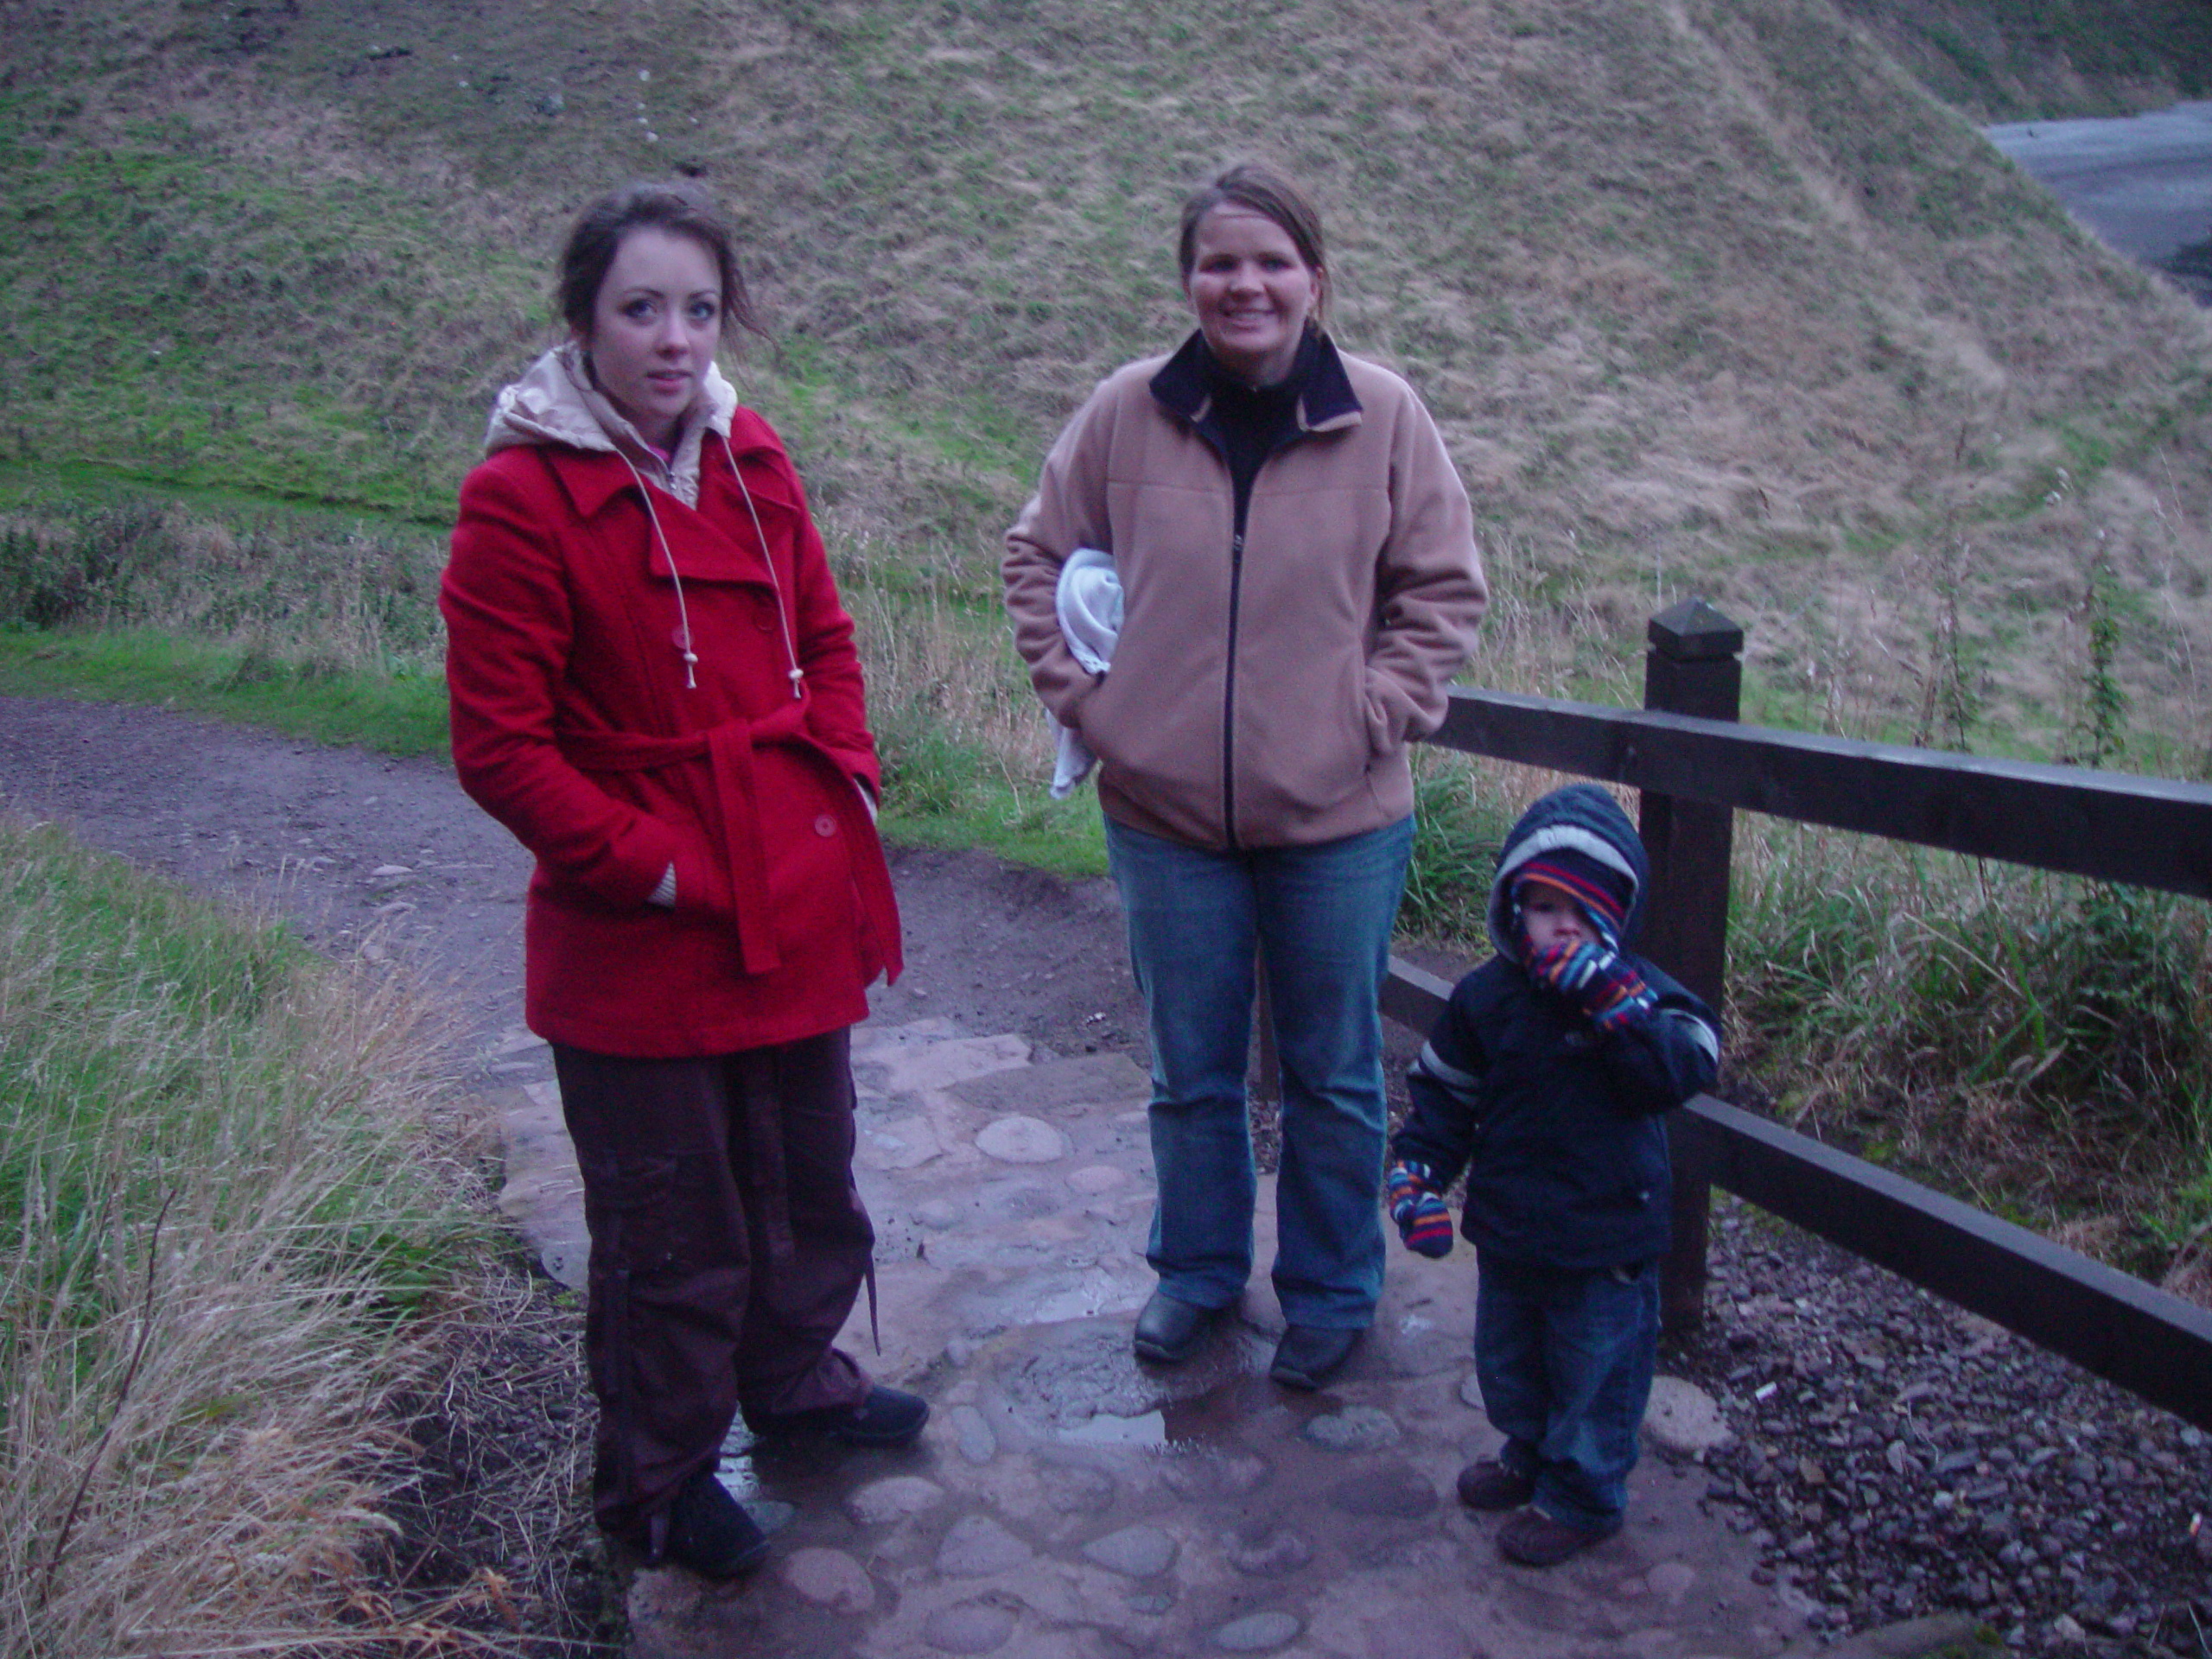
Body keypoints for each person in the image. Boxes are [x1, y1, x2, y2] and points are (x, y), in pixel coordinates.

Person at [441, 181, 921, 1581]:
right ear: (582, 319)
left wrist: (842, 773)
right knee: (673, 1223)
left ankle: (798, 1392)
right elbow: (500, 750)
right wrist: (650, 869)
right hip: (637, 934)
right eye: (641, 307)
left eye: (698, 309)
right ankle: (658, 1482)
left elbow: (828, 638)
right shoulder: (518, 499)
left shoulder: (754, 456)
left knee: (804, 1180)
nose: (673, 338)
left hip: (789, 883)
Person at [1003, 161, 1488, 1389]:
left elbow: (1441, 591)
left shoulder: (1384, 415)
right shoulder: (1125, 413)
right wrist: (1097, 708)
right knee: (1192, 1069)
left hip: (1340, 817)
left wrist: (1373, 716)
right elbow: (1036, 551)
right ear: (1189, 279)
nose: (1245, 285)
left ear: (1316, 281)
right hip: (1166, 816)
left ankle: (1330, 1292)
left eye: (1271, 262)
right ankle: (1199, 1276)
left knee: (1333, 1069)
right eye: (1220, 262)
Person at [1385, 783, 1719, 1567]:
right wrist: (1419, 1178)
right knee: (1509, 1360)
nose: (1562, 925)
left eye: (1584, 910)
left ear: (1619, 915)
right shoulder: (1486, 1000)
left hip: (1607, 1237)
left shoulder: (1644, 997)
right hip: (1509, 1227)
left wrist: (1614, 1005)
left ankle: (1585, 1495)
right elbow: (1444, 1094)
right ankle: (1527, 1453)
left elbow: (1681, 1069)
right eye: (1542, 908)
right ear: (1514, 912)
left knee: (1595, 1372)